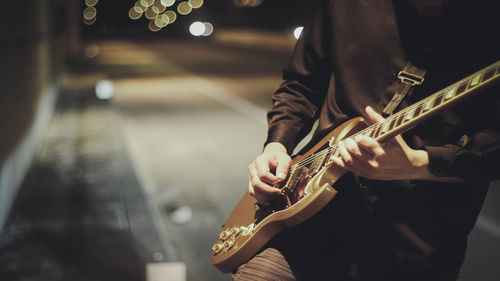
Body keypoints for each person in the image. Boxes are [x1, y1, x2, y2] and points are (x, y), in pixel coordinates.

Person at [232, 0, 500, 280]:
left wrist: (418, 164)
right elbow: (302, 83)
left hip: (415, 247)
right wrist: (277, 144)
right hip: (307, 222)